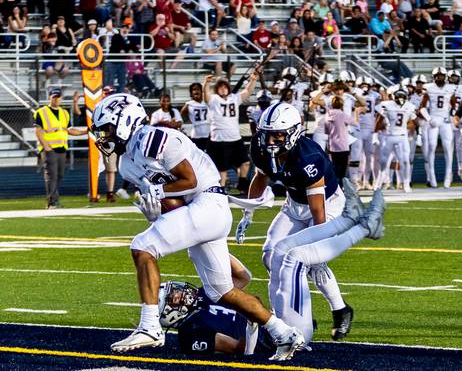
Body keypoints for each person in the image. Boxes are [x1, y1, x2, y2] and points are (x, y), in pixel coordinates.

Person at [90, 94, 304, 359]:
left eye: (107, 129)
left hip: (208, 203)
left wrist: (156, 192)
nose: (103, 137)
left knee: (142, 247)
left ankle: (149, 326)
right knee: (223, 292)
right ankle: (285, 333)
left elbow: (189, 181)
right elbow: (175, 206)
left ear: (125, 122)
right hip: (198, 213)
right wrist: (156, 214)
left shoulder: (151, 138)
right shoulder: (126, 164)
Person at [237, 102, 354, 341]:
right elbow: (261, 177)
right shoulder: (261, 148)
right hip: (294, 203)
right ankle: (286, 319)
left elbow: (317, 209)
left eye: (278, 135)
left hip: (327, 203)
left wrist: (318, 244)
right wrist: (248, 212)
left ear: (293, 132)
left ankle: (340, 309)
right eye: (268, 135)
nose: (270, 141)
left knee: (308, 261)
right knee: (271, 256)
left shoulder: (307, 157)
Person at [203, 72, 258, 193]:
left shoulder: (234, 98)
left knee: (245, 163)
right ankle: (220, 191)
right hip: (219, 139)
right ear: (217, 89)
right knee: (222, 169)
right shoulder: (214, 99)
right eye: (220, 87)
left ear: (228, 88)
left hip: (235, 138)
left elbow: (247, 92)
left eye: (225, 87)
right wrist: (206, 83)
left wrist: (253, 80)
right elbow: (206, 96)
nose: (223, 89)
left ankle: (242, 185)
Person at [34, 89, 87, 209]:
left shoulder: (64, 113)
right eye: (54, 97)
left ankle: (54, 200)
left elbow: (69, 130)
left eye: (58, 97)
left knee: (59, 175)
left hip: (62, 148)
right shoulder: (41, 112)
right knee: (51, 175)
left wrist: (85, 131)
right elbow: (38, 131)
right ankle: (52, 202)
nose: (56, 99)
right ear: (49, 98)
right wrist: (46, 147)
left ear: (61, 98)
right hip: (49, 148)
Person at [418, 67, 457, 188]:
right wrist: (429, 119)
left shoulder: (450, 88)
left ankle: (448, 177)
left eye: (441, 75)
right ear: (433, 77)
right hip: (433, 119)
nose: (439, 78)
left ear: (445, 77)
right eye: (437, 76)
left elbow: (454, 106)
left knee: (448, 148)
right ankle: (432, 178)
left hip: (445, 120)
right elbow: (422, 107)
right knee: (431, 147)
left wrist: (453, 116)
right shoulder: (429, 88)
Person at [376, 85, 418, 192]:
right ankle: (379, 182)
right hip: (389, 136)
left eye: (403, 95)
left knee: (405, 161)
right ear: (393, 96)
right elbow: (379, 119)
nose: (401, 97)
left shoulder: (410, 106)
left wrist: (416, 133)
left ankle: (406, 183)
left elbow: (414, 121)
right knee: (384, 162)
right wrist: (374, 133)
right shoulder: (387, 105)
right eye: (398, 95)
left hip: (402, 136)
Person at [324, 95, 357, 180]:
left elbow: (326, 131)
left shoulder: (327, 115)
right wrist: (357, 112)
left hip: (332, 145)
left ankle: (336, 188)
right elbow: (355, 123)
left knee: (334, 168)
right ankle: (341, 187)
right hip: (343, 145)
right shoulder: (343, 115)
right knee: (342, 170)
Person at [181, 82, 210, 152]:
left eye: (198, 89)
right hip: (196, 135)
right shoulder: (188, 104)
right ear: (191, 93)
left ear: (202, 91)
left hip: (208, 134)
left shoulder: (207, 102)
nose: (196, 91)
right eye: (194, 90)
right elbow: (181, 117)